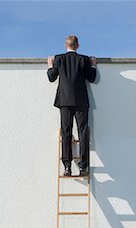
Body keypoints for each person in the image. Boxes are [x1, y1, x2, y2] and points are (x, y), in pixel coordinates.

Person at [47, 35, 97, 176]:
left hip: (64, 101)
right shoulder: (84, 59)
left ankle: (67, 167)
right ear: (78, 46)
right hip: (81, 101)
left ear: (65, 45)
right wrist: (93, 65)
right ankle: (83, 167)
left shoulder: (59, 59)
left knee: (66, 132)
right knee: (83, 132)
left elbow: (52, 77)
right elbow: (92, 78)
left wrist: (50, 65)